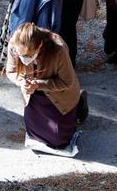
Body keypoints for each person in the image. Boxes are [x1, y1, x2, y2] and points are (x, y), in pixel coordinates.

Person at [6, 22, 84, 154]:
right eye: (22, 56)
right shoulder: (15, 44)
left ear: (40, 46)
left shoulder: (58, 49)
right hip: (33, 95)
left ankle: (79, 103)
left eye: (29, 55)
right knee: (35, 134)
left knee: (58, 141)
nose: (25, 60)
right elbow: (11, 71)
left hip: (60, 95)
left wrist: (38, 84)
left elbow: (66, 82)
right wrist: (21, 83)